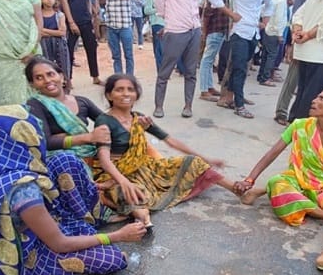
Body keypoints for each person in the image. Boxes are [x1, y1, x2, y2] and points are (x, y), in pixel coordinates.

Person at [0, 105, 146, 275]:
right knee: (111, 259)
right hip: (27, 247)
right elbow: (60, 244)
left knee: (65, 160)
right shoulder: (23, 190)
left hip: (31, 222)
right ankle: (80, 229)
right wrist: (117, 236)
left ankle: (89, 219)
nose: (38, 136)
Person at [235, 86, 323, 274]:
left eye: (322, 99)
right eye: (317, 96)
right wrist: (250, 179)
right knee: (277, 183)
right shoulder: (300, 125)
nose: (314, 101)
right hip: (297, 179)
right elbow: (272, 153)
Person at [92, 74, 242, 225]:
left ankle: (236, 190)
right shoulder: (104, 121)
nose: (126, 93)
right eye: (119, 90)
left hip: (144, 168)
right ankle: (143, 218)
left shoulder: (139, 118)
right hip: (114, 174)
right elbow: (104, 160)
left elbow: (170, 141)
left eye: (130, 89)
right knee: (130, 192)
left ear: (136, 95)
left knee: (193, 162)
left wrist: (206, 158)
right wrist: (123, 181)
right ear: (109, 95)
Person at [153, 0, 214, 118]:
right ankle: (158, 106)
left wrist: (198, 26)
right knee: (165, 71)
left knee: (191, 71)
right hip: (175, 29)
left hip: (193, 28)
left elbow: (194, 1)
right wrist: (165, 22)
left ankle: (188, 106)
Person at [208, 0, 275, 119]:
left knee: (242, 69)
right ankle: (239, 104)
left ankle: (232, 96)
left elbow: (269, 5)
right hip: (239, 33)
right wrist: (231, 14)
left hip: (253, 33)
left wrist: (264, 22)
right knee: (238, 68)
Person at [198, 0, 238, 102]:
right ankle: (204, 90)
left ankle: (208, 87)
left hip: (219, 29)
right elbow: (208, 10)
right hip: (215, 28)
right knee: (207, 59)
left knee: (209, 59)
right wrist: (205, 29)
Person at [60, 0, 101, 85]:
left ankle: (95, 77)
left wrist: (91, 12)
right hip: (72, 21)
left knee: (91, 47)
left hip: (86, 20)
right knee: (69, 51)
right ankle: (68, 79)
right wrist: (71, 22)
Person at [100, 0, 138, 75]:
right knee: (116, 56)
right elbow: (101, 0)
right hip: (111, 26)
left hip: (125, 26)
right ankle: (118, 77)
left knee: (128, 55)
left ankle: (129, 78)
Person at [258, 0, 290, 87]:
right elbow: (279, 19)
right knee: (271, 55)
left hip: (268, 30)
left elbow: (262, 9)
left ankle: (261, 76)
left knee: (265, 55)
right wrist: (280, 35)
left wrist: (265, 22)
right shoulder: (281, 1)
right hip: (274, 32)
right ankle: (265, 78)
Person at [37, 0, 71, 83]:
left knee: (62, 68)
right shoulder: (37, 15)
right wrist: (52, 32)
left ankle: (65, 86)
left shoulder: (59, 15)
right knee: (45, 67)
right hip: (43, 45)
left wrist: (44, 30)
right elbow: (37, 32)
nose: (49, 0)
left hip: (59, 45)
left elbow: (62, 32)